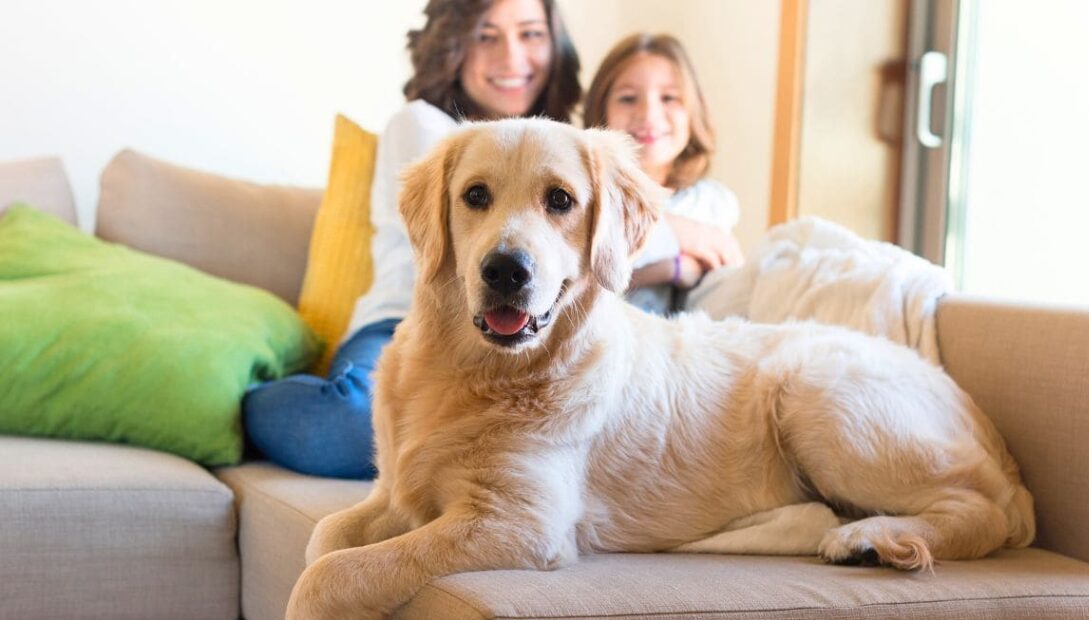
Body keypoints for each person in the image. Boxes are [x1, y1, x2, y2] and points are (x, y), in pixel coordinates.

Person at [241, 0, 582, 479]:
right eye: (487, 35)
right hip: (403, 325)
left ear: (555, 45)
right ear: (453, 43)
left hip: (528, 333)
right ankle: (234, 401)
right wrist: (680, 246)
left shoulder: (574, 152)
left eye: (530, 34)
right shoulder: (425, 126)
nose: (511, 56)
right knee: (349, 425)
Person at [584, 33, 744, 314]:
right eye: (628, 98)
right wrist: (672, 268)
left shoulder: (711, 202)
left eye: (669, 98)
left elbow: (725, 278)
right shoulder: (584, 195)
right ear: (601, 110)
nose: (648, 113)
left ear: (694, 113)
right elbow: (585, 272)